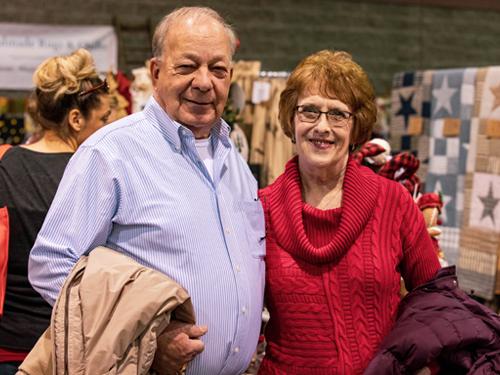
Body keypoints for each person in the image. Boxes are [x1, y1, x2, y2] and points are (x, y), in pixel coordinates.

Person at [29, 6, 265, 375]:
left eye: (217, 69)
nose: (204, 82)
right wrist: (143, 336)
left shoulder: (233, 159)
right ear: (156, 72)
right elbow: (51, 264)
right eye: (187, 67)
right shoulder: (111, 153)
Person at [257, 50, 441, 374]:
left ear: (356, 128)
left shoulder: (392, 202)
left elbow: (435, 298)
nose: (322, 127)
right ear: (291, 119)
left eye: (338, 114)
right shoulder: (261, 210)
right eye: (309, 111)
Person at [0, 48, 110, 375]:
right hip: (70, 348)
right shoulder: (95, 174)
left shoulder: (4, 162)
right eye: (103, 119)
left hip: (7, 346)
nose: (108, 127)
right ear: (76, 119)